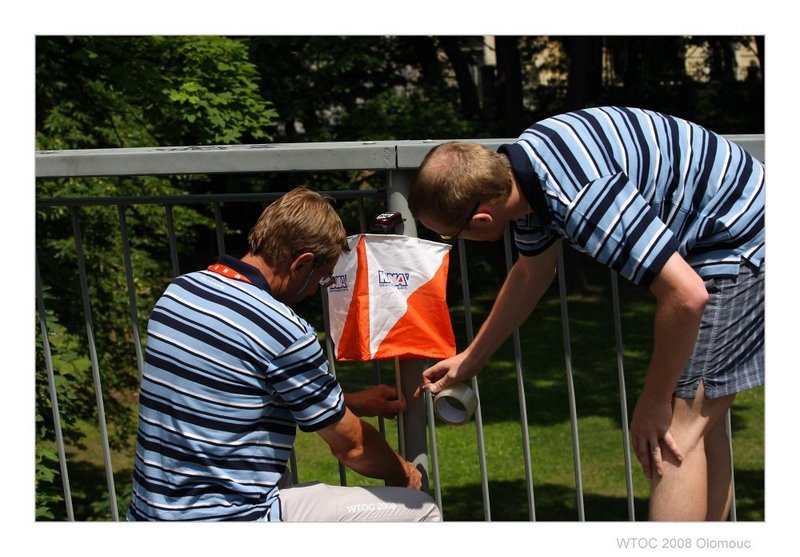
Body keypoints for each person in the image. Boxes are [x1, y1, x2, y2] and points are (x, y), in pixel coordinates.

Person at [409, 106, 764, 521]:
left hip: (749, 237)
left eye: (452, 234)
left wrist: (652, 401)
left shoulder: (579, 197)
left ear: (481, 218)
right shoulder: (524, 172)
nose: (457, 241)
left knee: (671, 436)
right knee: (703, 426)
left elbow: (686, 297)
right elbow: (531, 273)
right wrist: (472, 359)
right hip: (731, 229)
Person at [127, 187, 440, 522]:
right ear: (302, 263)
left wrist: (350, 402)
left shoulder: (181, 292)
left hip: (151, 516)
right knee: (422, 513)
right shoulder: (282, 330)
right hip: (228, 520)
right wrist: (403, 472)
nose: (316, 288)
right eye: (322, 278)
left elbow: (228, 394)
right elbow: (352, 446)